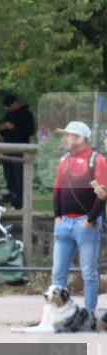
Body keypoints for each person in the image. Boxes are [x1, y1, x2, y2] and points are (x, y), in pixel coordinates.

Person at [51, 121, 106, 312]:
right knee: (58, 273)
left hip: (85, 224)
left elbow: (103, 192)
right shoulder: (64, 160)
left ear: (80, 138)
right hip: (64, 223)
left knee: (88, 273)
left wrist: (90, 220)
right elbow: (57, 190)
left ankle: (89, 314)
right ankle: (58, 313)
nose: (64, 139)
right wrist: (57, 216)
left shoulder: (96, 160)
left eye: (68, 135)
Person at [0, 93, 36, 209]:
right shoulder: (8, 115)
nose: (9, 108)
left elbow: (30, 131)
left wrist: (14, 127)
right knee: (9, 175)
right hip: (8, 148)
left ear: (15, 103)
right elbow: (4, 134)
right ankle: (14, 198)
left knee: (19, 176)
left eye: (10, 105)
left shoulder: (26, 114)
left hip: (20, 149)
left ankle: (23, 200)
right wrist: (3, 128)